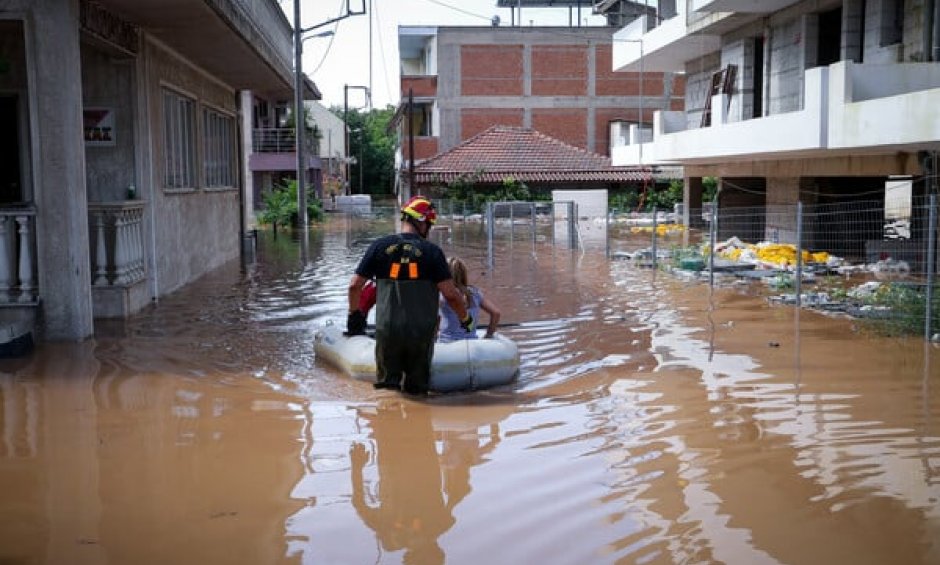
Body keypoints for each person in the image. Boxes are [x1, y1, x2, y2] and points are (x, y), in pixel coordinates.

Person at [346, 196, 472, 395]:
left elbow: (354, 286)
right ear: (421, 221)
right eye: (428, 224)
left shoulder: (379, 247)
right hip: (421, 332)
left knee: (387, 389)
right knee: (418, 390)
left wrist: (354, 316)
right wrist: (466, 319)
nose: (428, 230)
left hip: (388, 330)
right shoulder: (433, 253)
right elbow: (452, 295)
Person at [437, 257, 501, 342]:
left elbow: (434, 320)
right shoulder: (475, 293)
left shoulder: (443, 295)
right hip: (471, 342)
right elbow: (496, 313)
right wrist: (488, 335)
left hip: (448, 342)